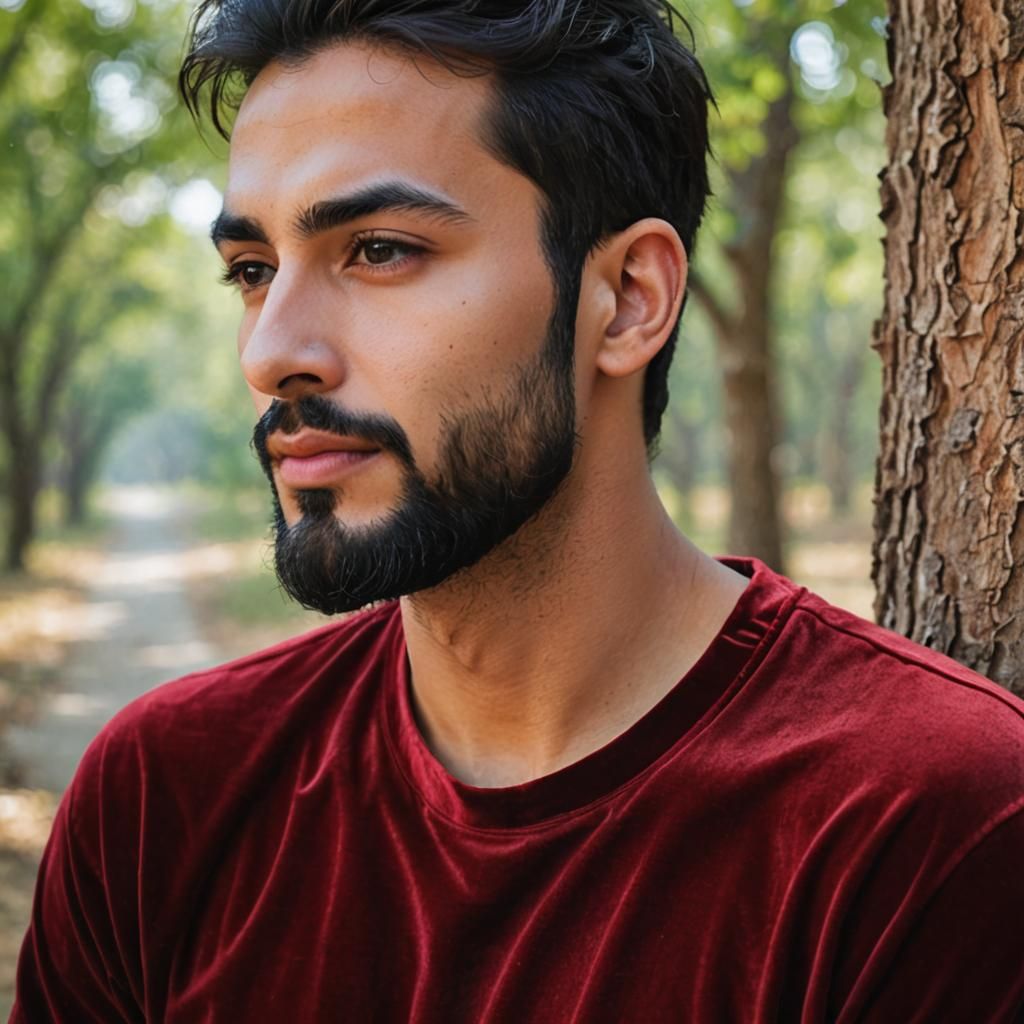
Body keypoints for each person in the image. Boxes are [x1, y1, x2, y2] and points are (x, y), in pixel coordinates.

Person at [12, 1, 1024, 1020]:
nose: (271, 351)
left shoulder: (931, 825)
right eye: (252, 270)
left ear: (627, 298)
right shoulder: (162, 802)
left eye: (378, 250)